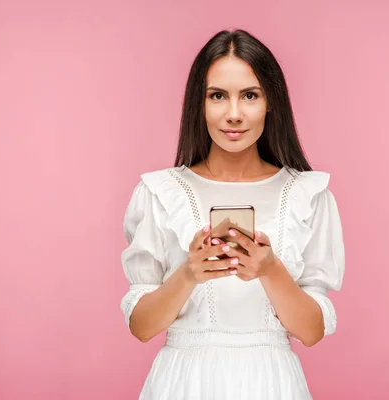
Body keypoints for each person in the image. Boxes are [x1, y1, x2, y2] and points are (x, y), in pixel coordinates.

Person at [120, 29, 345, 400]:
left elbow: (311, 332)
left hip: (272, 383)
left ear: (271, 102)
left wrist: (271, 270)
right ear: (199, 103)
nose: (234, 114)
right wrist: (189, 274)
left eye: (250, 95)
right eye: (218, 96)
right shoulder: (159, 193)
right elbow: (142, 328)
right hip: (183, 383)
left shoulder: (310, 195)